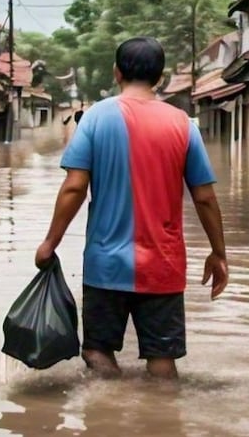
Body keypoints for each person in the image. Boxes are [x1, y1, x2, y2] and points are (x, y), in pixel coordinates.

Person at [34, 37, 229, 380]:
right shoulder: (183, 124)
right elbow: (204, 198)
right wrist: (219, 253)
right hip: (164, 264)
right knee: (162, 357)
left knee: (97, 351)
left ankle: (109, 403)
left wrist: (50, 243)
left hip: (106, 263)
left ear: (117, 72)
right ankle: (161, 409)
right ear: (160, 77)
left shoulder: (94, 119)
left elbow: (75, 187)